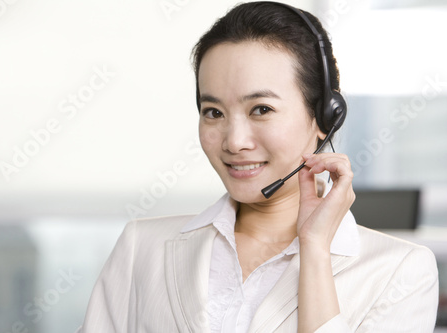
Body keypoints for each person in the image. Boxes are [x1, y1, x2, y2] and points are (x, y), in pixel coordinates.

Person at [78, 2, 439, 332]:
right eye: (214, 112)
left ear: (325, 117)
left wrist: (314, 250)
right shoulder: (142, 248)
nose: (234, 141)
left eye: (261, 109)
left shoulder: (400, 271)